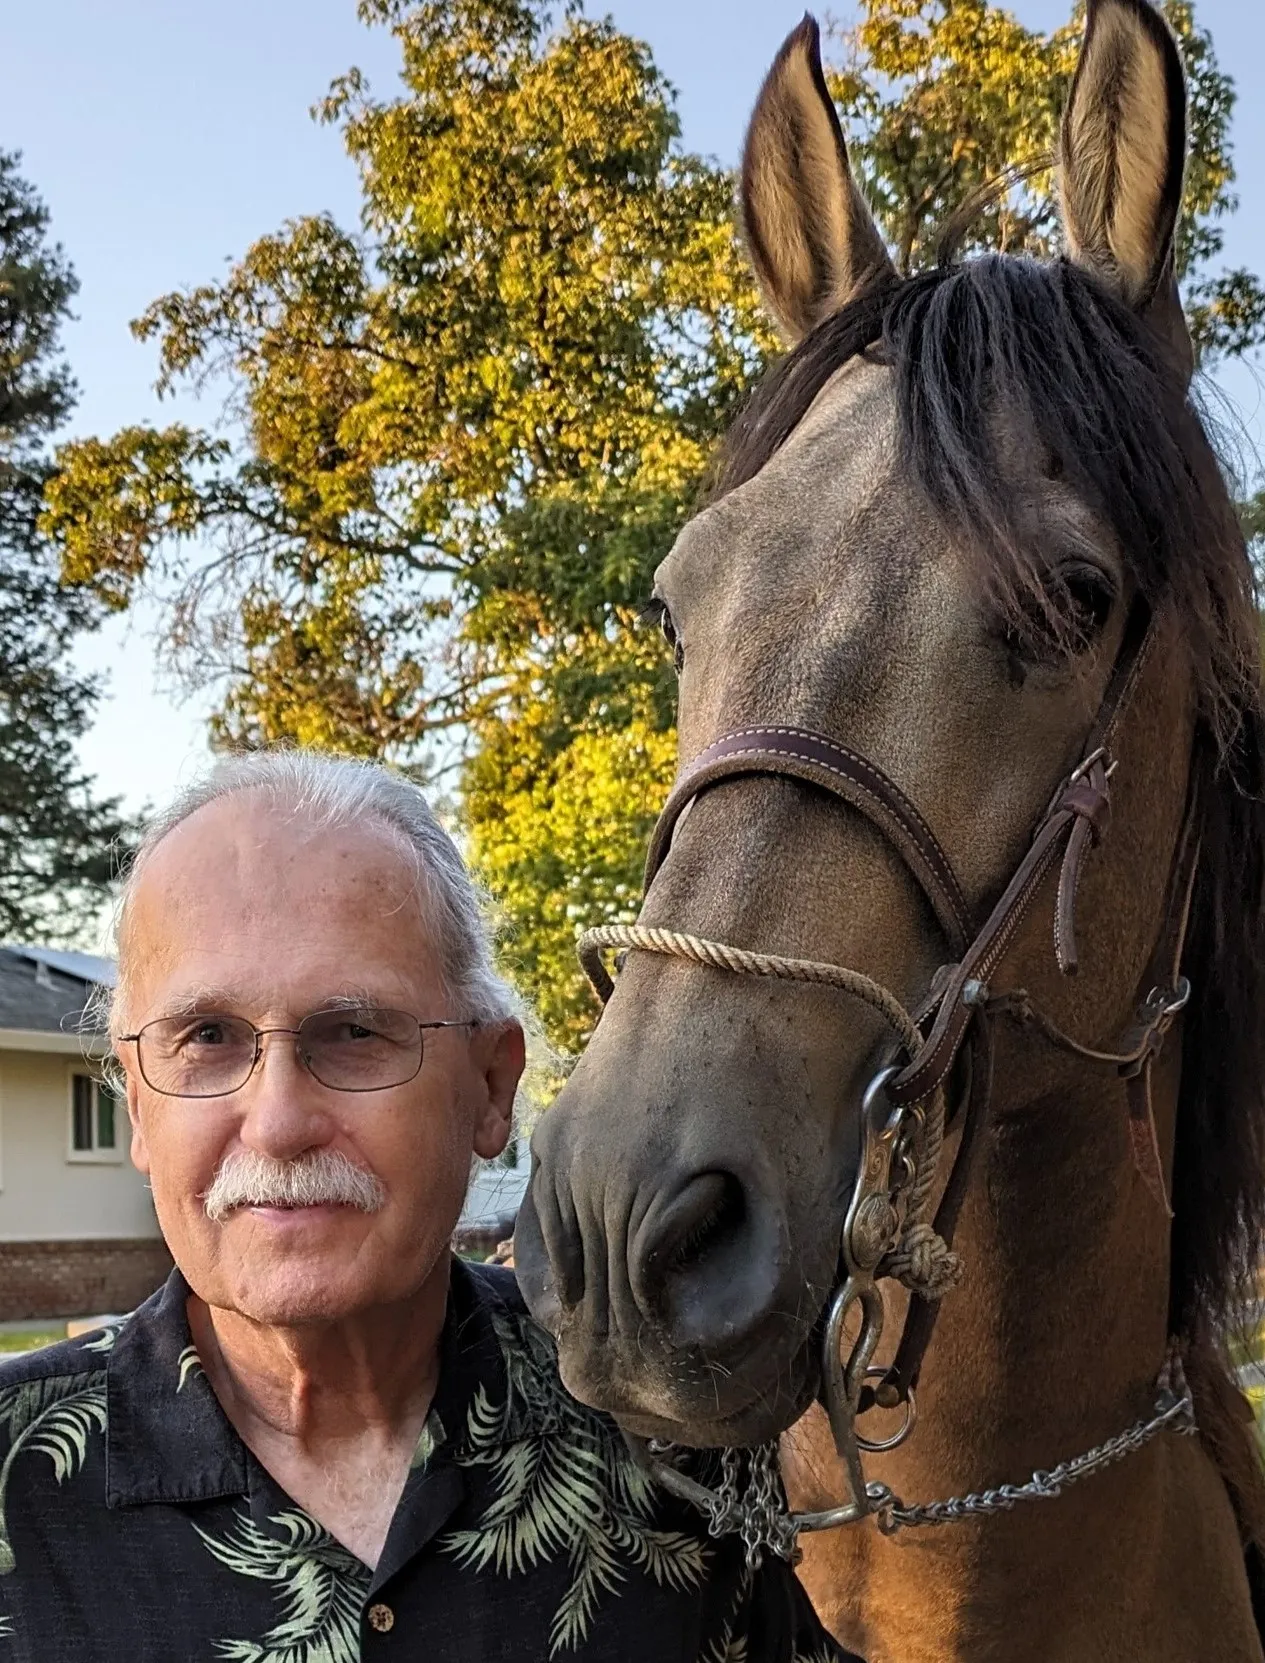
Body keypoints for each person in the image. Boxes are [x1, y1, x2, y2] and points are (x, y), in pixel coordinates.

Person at [0, 751, 859, 1662]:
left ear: (490, 1088)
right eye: (207, 1038)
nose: (280, 1120)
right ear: (138, 1106)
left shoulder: (671, 1433)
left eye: (355, 1031)